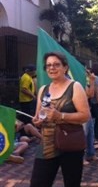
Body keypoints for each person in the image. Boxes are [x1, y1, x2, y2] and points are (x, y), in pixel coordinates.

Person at [30, 52, 90, 187]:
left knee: (71, 183)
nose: (52, 68)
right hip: (46, 144)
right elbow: (39, 116)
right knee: (38, 183)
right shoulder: (43, 90)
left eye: (57, 64)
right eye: (49, 65)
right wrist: (37, 121)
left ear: (65, 67)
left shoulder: (75, 87)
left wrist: (60, 116)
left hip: (69, 143)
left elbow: (85, 116)